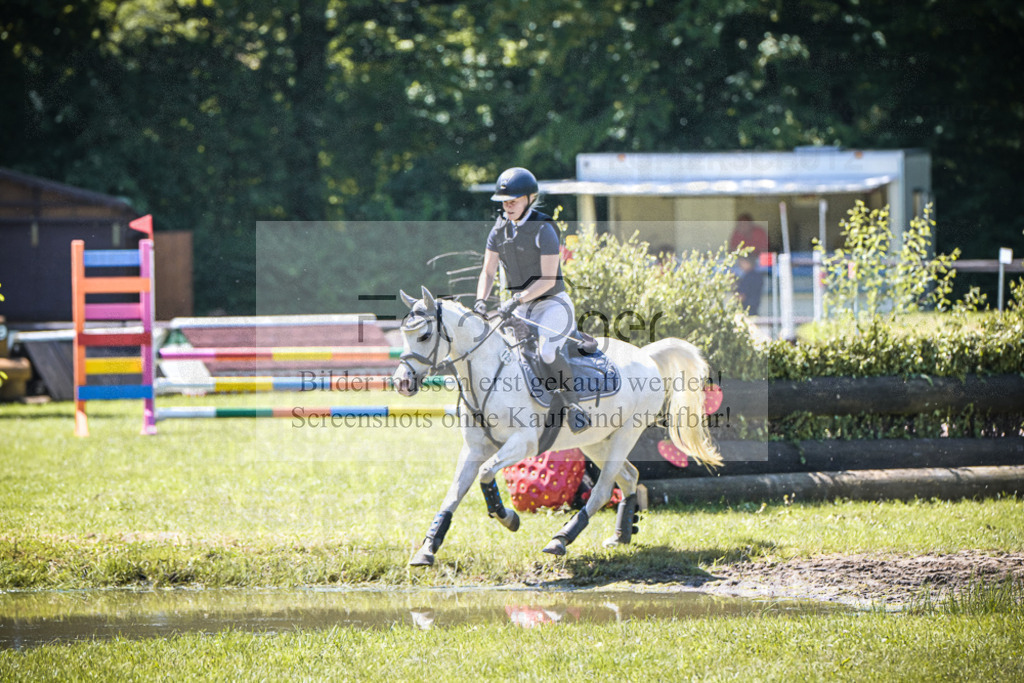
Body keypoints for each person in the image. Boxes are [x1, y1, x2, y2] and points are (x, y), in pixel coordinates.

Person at [474, 167, 591, 433]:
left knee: (546, 352)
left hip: (552, 304)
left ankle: (574, 408)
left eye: (513, 200)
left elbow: (548, 280)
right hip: (520, 307)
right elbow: (488, 271)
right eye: (504, 201)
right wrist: (481, 301)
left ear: (530, 198)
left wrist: (517, 299)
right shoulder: (498, 230)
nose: (508, 205)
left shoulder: (543, 228)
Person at [729, 213, 769, 315]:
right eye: (740, 224)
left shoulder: (759, 232)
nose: (742, 227)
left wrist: (733, 286)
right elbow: (731, 250)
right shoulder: (737, 233)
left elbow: (739, 297)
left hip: (757, 262)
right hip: (750, 312)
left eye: (745, 224)